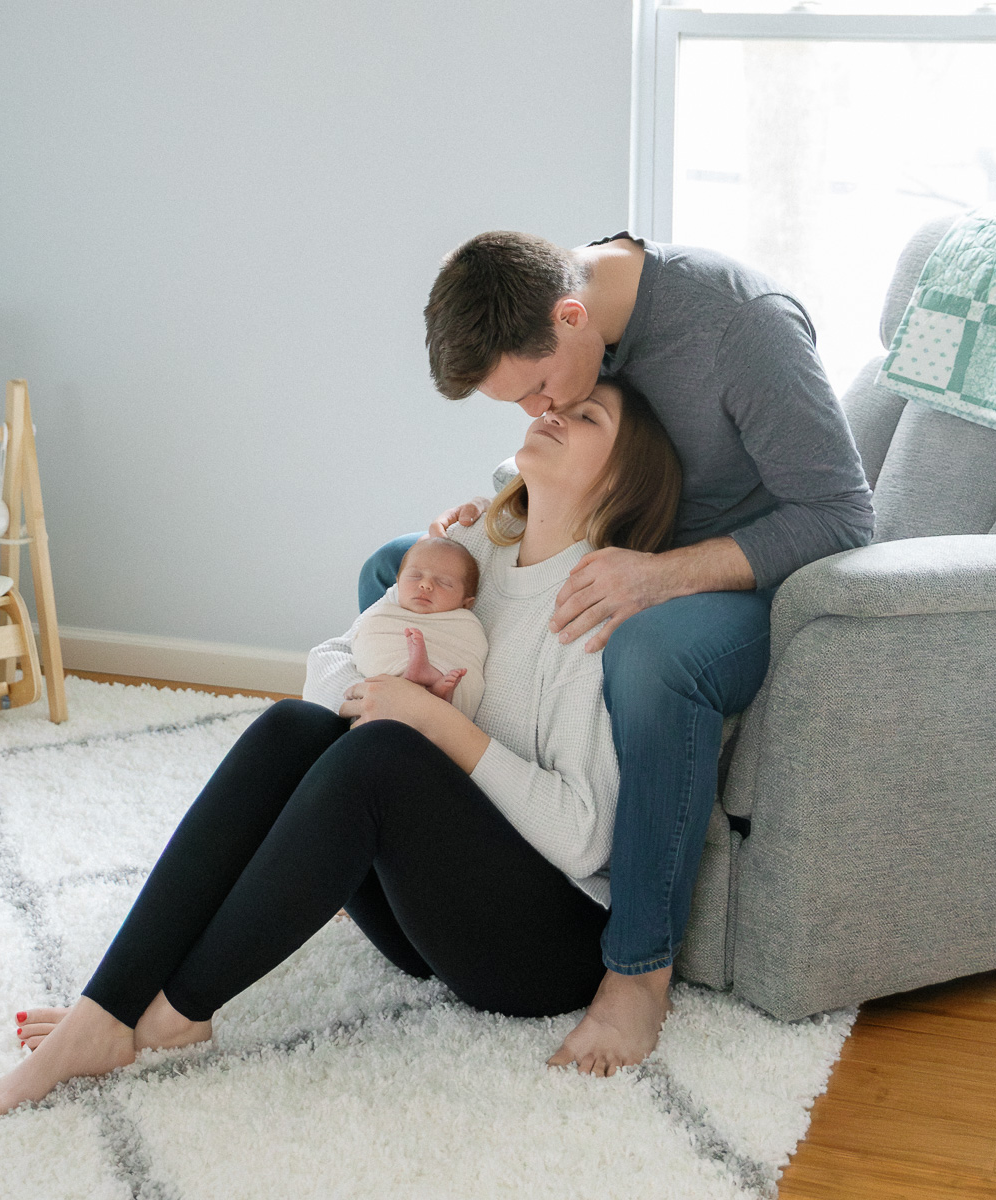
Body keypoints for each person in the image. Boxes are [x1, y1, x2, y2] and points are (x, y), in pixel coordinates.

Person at [0, 377, 682, 1119]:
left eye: (587, 415)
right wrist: (381, 698)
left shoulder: (596, 604)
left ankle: (177, 1013)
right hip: (423, 916)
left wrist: (434, 725)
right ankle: (104, 1013)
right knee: (293, 726)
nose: (554, 410)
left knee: (383, 757)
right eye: (562, 402)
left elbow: (584, 835)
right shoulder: (469, 549)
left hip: (533, 953)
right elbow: (330, 662)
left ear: (625, 476)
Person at [360, 230, 874, 1074]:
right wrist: (489, 521)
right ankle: (431, 848)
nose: (536, 412)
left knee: (648, 651)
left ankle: (637, 970)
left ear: (571, 318)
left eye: (533, 390)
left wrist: (663, 576)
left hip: (741, 585)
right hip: (619, 545)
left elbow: (841, 516)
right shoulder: (556, 303)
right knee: (398, 568)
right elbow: (573, 456)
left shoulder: (739, 327)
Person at [353, 537, 486, 718]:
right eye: (415, 576)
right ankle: (418, 683)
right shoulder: (384, 613)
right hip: (383, 699)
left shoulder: (464, 624)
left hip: (434, 726)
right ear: (397, 582)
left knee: (454, 685)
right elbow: (366, 640)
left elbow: (470, 662)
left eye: (444, 583)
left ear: (466, 603)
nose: (425, 585)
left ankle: (433, 688)